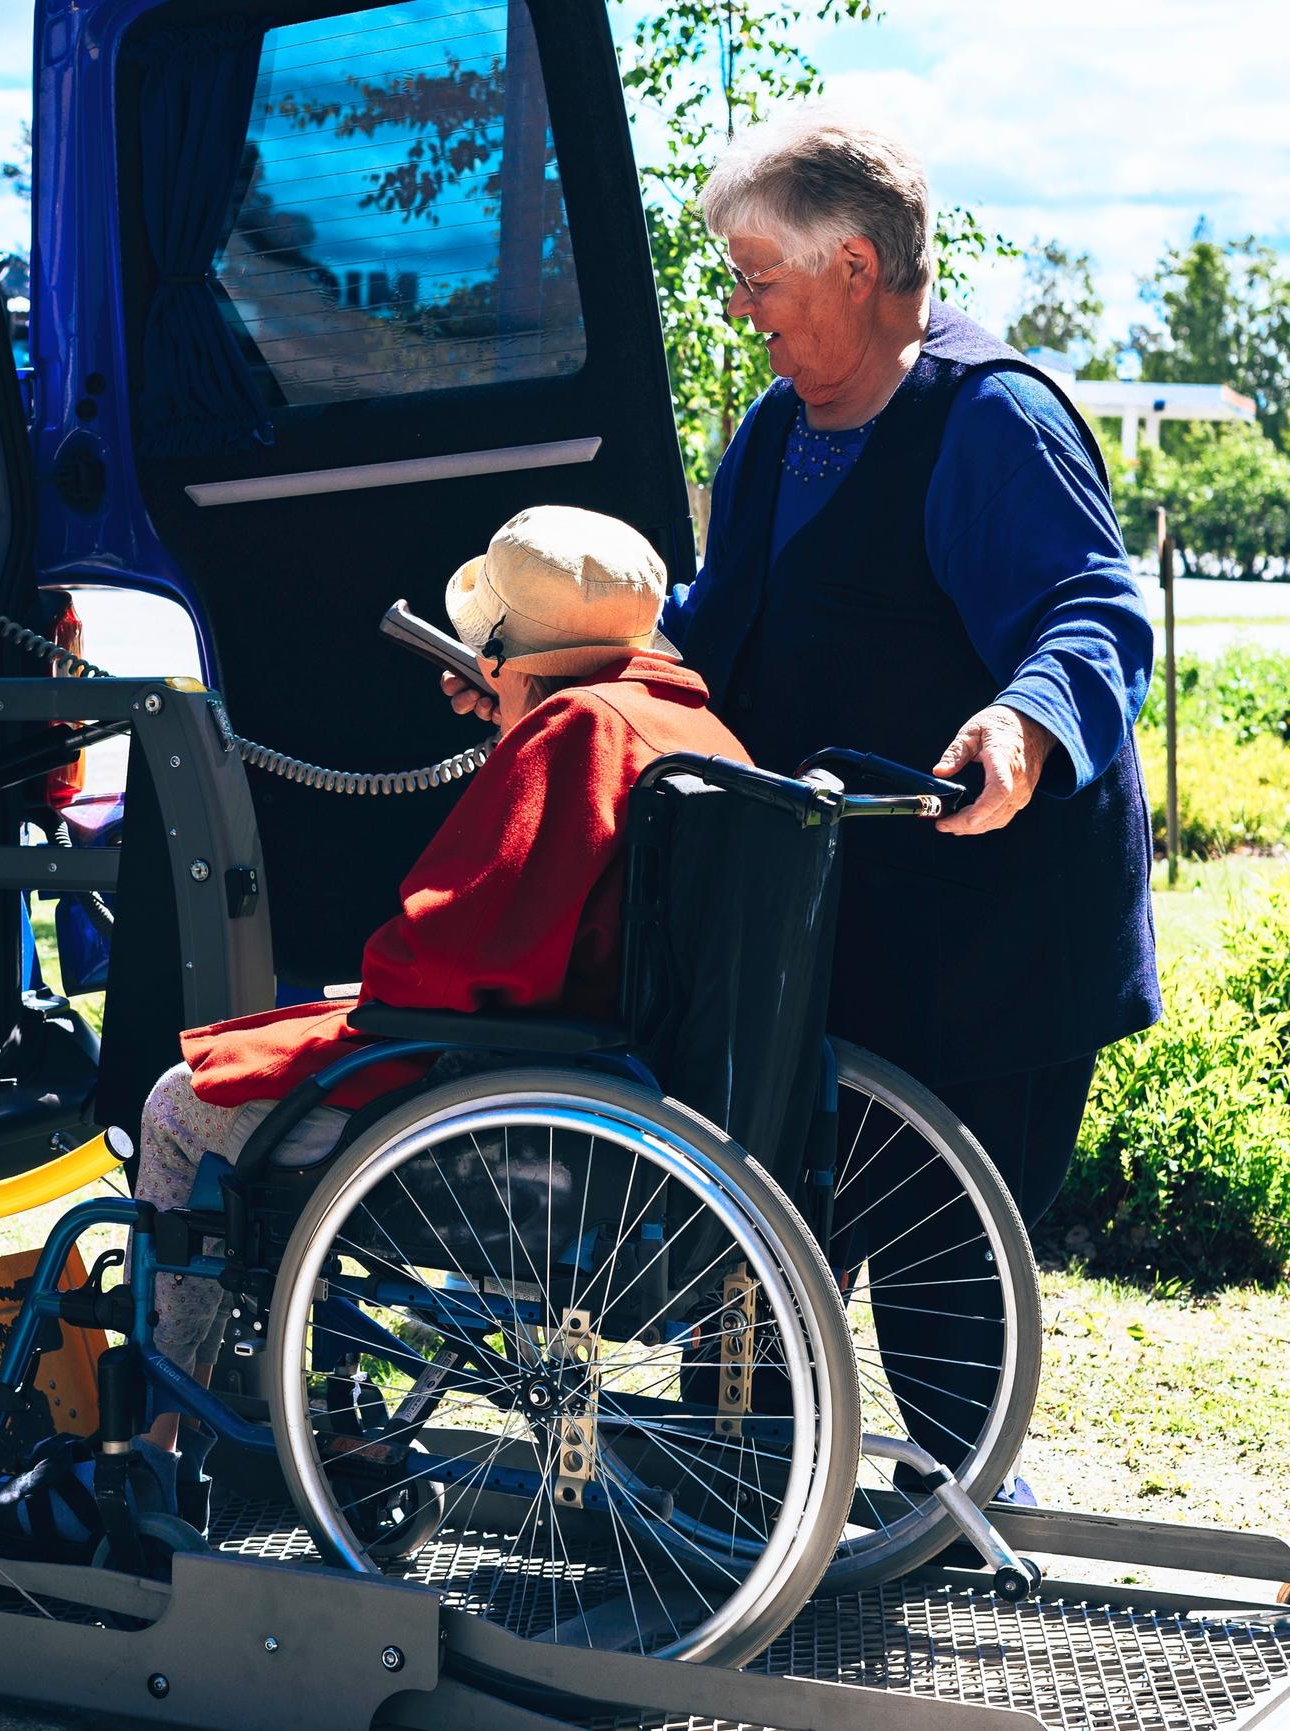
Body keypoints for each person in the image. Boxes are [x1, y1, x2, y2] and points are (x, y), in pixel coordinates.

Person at [447, 108, 1159, 1478]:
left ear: (852, 267)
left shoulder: (991, 418)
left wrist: (1022, 724)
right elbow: (722, 624)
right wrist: (554, 677)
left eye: (757, 274)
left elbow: (1090, 611)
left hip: (997, 920)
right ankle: (764, 1490)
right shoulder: (779, 430)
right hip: (841, 905)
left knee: (950, 1264)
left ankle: (961, 1497)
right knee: (776, 1229)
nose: (742, 304)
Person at [135, 504, 749, 1455]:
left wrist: (524, 732)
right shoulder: (690, 722)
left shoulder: (575, 730)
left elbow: (451, 950)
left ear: (506, 647)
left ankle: (164, 1436)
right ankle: (324, 1414)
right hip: (631, 1087)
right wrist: (514, 715)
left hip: (513, 1098)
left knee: (180, 1107)